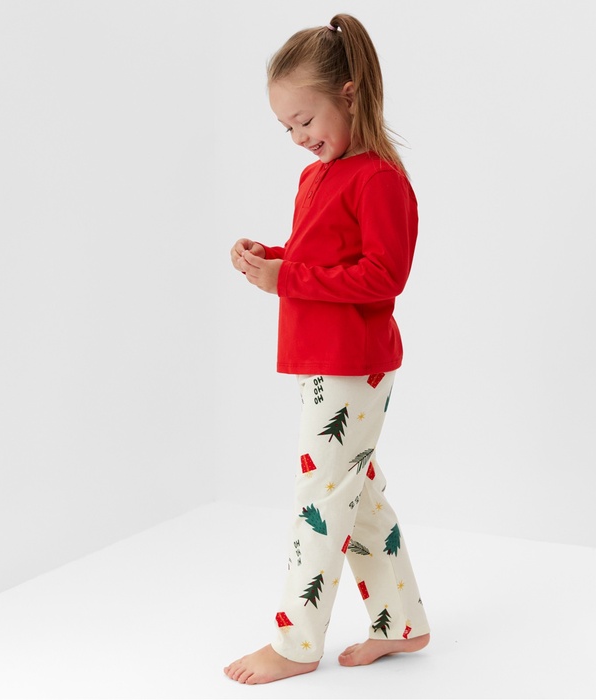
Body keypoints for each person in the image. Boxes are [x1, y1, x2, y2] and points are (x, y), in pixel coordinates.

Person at [224, 13, 430, 685]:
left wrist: (288, 278)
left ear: (349, 94)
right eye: (286, 127)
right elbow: (319, 256)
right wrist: (271, 258)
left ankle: (296, 643)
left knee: (323, 494)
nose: (298, 138)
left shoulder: (380, 179)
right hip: (319, 359)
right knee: (355, 491)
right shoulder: (318, 177)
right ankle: (401, 623)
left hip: (354, 362)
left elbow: (383, 276)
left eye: (305, 120)